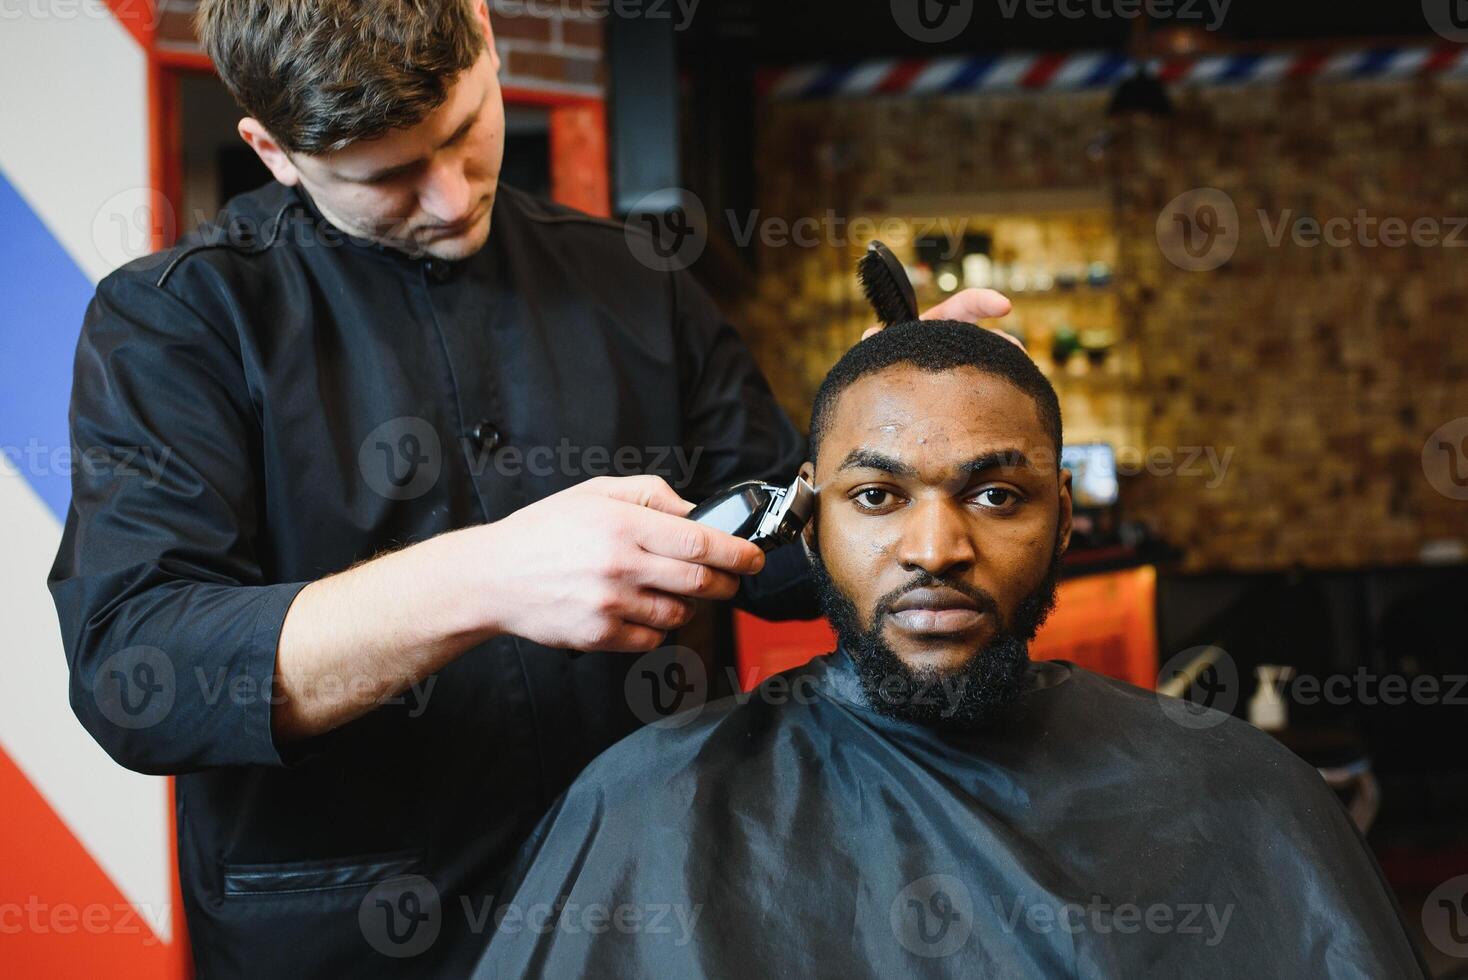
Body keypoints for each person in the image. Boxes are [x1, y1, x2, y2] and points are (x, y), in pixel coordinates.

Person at [46, 1, 1011, 975]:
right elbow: (139, 673)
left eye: (466, 129)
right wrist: (489, 577)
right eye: (386, 175)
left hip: (657, 910)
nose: (449, 196)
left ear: (483, 32)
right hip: (347, 939)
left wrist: (876, 447)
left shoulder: (637, 280)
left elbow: (782, 565)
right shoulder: (177, 323)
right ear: (274, 150)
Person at [470, 320, 1428, 979]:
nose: (935, 549)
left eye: (996, 495)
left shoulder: (1246, 796)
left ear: (1063, 524)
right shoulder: (651, 802)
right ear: (809, 526)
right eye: (879, 497)